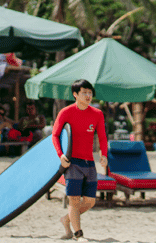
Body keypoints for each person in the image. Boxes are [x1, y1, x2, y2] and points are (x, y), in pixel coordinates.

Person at [52, 80, 108, 241]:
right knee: (74, 201)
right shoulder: (66, 112)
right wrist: (60, 155)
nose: (88, 96)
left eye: (90, 92)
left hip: (89, 162)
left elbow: (103, 137)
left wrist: (103, 155)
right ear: (75, 94)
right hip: (72, 163)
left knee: (90, 202)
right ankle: (78, 234)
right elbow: (55, 135)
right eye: (84, 92)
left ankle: (66, 219)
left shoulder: (97, 114)